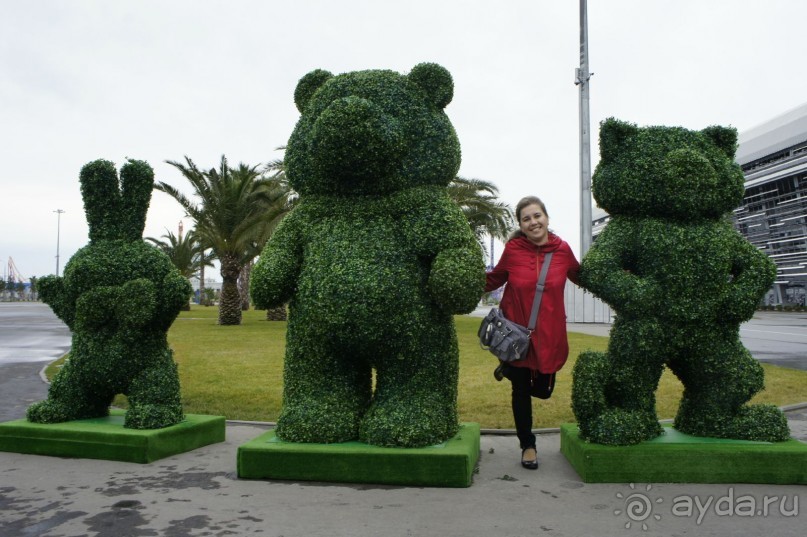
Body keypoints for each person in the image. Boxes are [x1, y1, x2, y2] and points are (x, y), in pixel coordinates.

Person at [485, 196, 580, 469]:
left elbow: (582, 275)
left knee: (543, 390)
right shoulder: (513, 250)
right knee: (520, 389)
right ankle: (528, 445)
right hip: (515, 338)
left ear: (547, 218)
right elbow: (494, 278)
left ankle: (518, 376)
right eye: (526, 218)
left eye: (537, 216)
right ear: (521, 225)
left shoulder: (563, 251)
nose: (533, 222)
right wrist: (463, 280)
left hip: (550, 336)